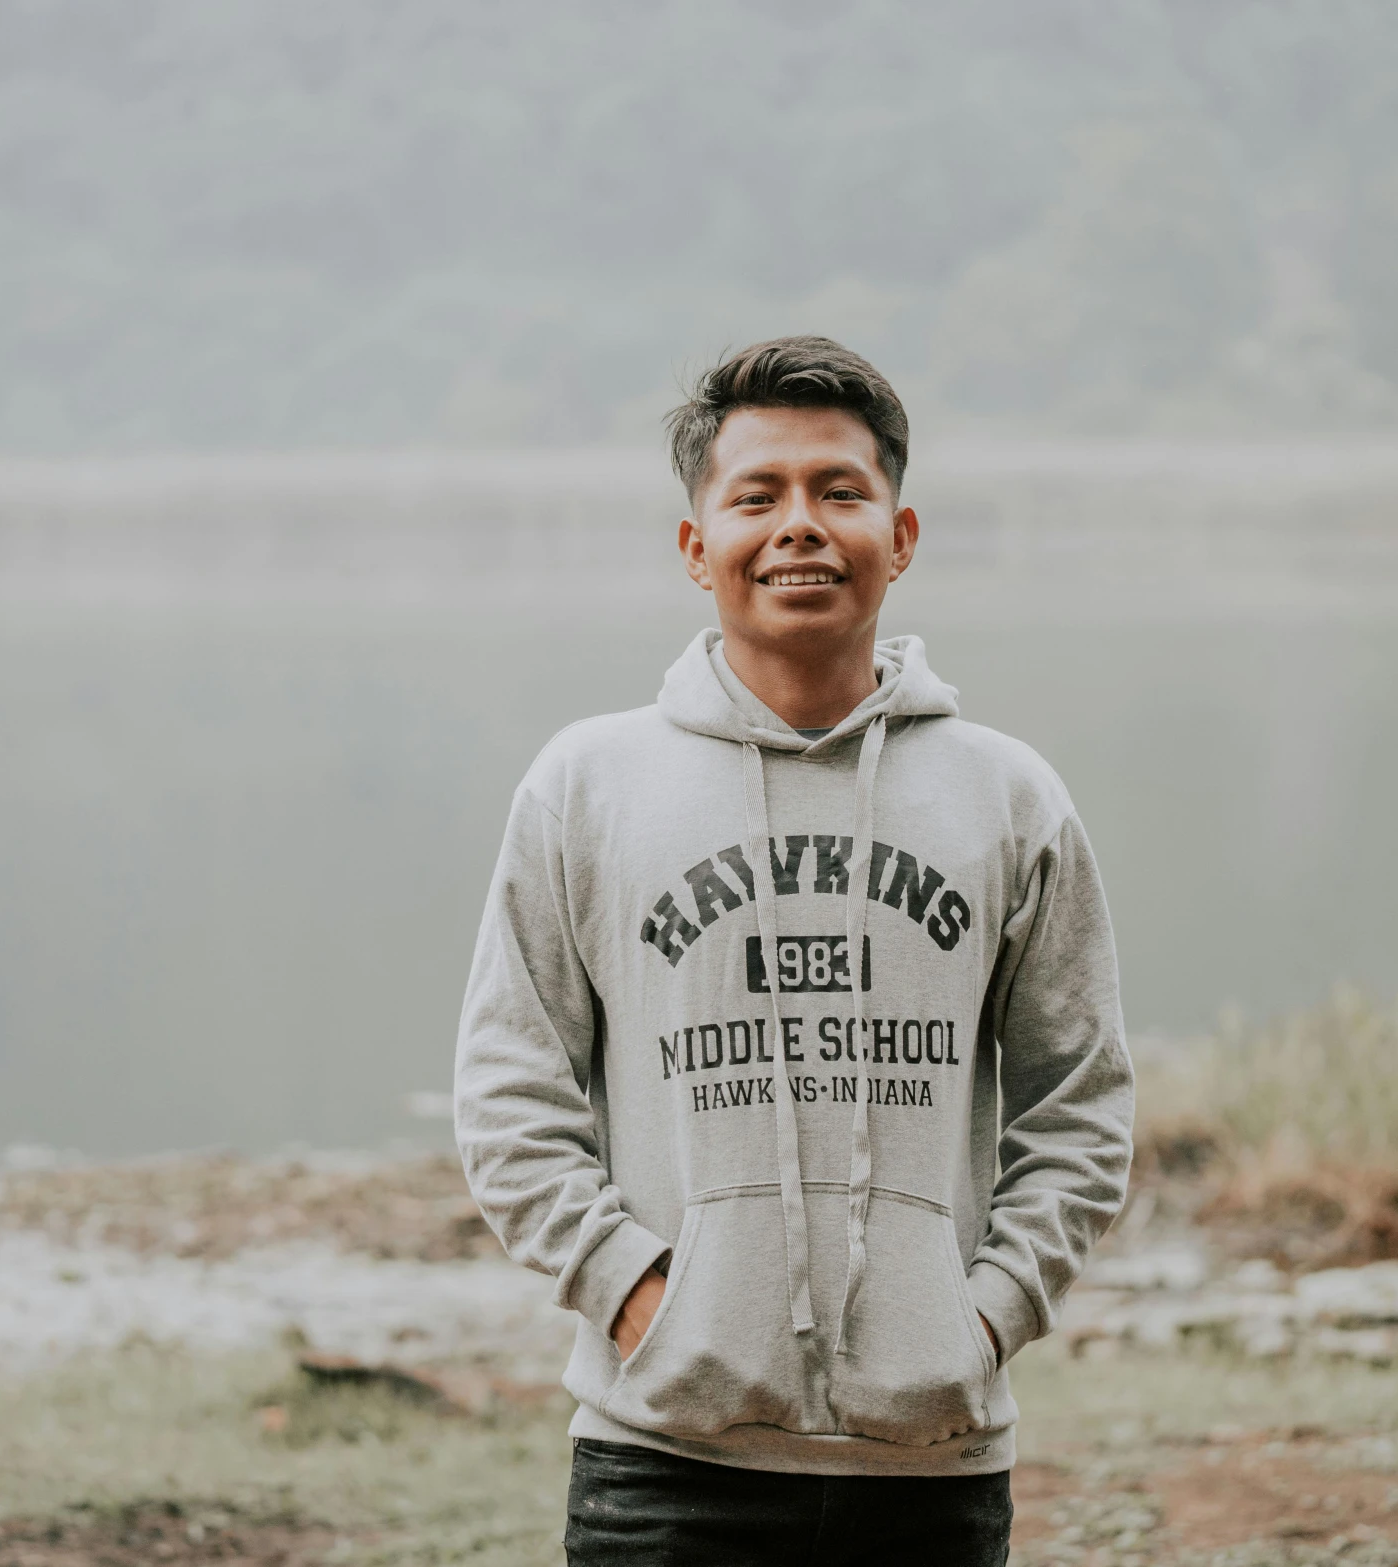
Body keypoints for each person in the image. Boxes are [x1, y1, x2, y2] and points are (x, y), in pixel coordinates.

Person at [454, 336, 1133, 1566]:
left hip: (930, 1465)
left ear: (903, 533)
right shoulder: (586, 788)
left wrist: (978, 1319)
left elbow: (1079, 1106)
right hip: (665, 1460)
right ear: (693, 545)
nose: (799, 527)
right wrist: (640, 1298)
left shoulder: (1007, 797)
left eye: (840, 492)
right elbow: (509, 1094)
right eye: (756, 496)